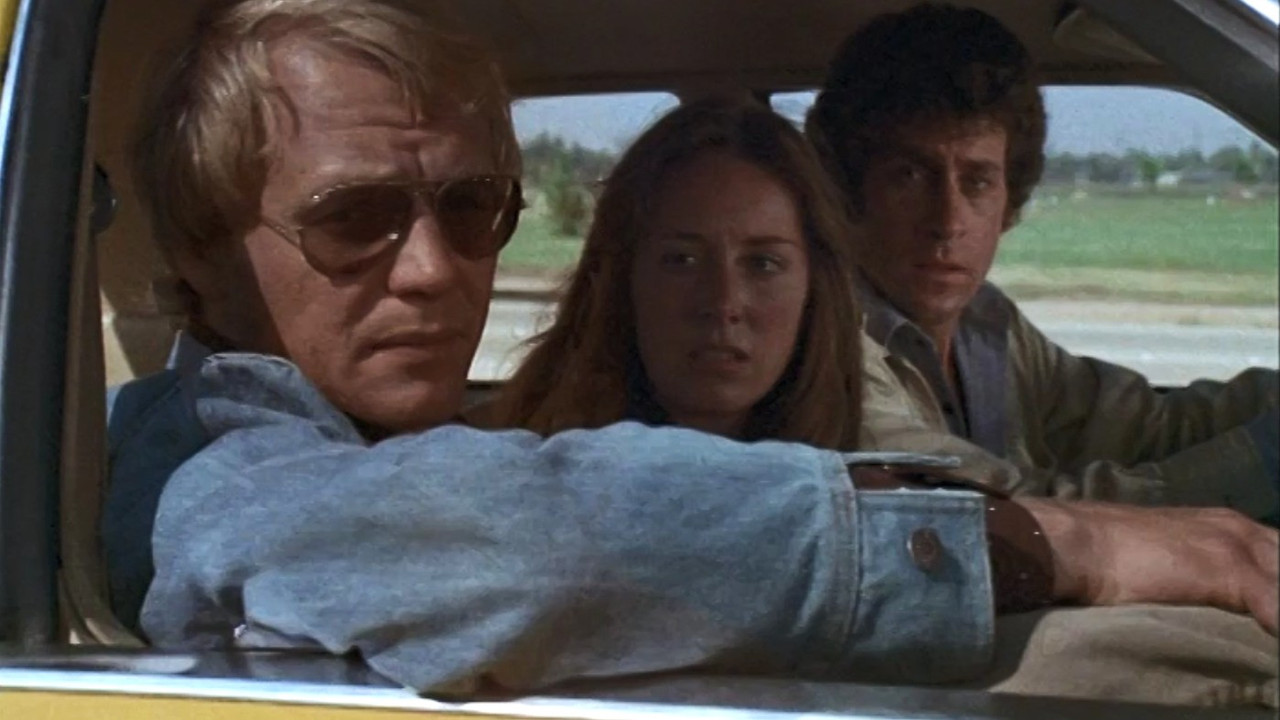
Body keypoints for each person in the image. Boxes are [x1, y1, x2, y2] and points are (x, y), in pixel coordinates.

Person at [106, 0, 1278, 699]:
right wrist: (1066, 542)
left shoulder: (380, 442)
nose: (432, 269)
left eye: (472, 209)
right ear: (204, 252)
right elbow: (544, 539)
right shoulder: (216, 473)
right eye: (353, 218)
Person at [805, 2, 1279, 523]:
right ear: (848, 189)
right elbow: (1018, 519)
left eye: (977, 182)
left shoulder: (986, 324)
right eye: (910, 177)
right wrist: (1265, 462)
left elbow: (1150, 427)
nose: (948, 221)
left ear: (1009, 200)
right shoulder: (827, 352)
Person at [489, 97, 862, 449]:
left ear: (814, 287)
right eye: (682, 260)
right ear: (622, 279)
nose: (723, 303)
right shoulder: (520, 464)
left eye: (762, 264)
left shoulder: (872, 471)